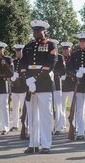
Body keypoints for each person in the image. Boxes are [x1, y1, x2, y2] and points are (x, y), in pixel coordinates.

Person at [19, 20, 57, 154]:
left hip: (44, 84)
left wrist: (35, 79)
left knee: (45, 115)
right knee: (32, 115)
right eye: (34, 30)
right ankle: (33, 143)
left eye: (38, 30)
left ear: (43, 31)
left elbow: (50, 64)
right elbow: (22, 64)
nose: (36, 33)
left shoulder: (50, 45)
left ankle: (46, 144)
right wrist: (28, 79)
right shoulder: (28, 46)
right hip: (30, 85)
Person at [10, 44, 26, 132]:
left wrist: (19, 76)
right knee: (15, 107)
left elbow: (26, 74)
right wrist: (12, 77)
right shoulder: (14, 61)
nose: (18, 53)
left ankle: (24, 124)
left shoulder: (25, 61)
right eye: (16, 52)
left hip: (23, 87)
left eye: (19, 52)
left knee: (24, 107)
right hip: (15, 88)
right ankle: (15, 125)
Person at [60, 41, 75, 132]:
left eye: (67, 49)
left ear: (70, 49)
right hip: (62, 86)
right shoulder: (60, 58)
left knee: (73, 106)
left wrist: (69, 74)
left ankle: (74, 124)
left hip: (71, 86)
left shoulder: (73, 58)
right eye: (64, 49)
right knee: (61, 107)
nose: (65, 50)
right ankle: (62, 125)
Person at [53, 40, 66, 135]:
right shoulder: (47, 57)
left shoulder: (60, 57)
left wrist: (56, 74)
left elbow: (63, 70)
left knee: (58, 107)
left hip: (57, 85)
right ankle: (50, 127)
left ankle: (59, 127)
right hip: (48, 85)